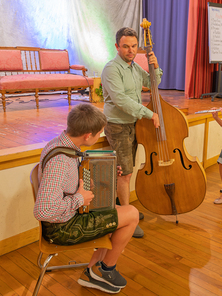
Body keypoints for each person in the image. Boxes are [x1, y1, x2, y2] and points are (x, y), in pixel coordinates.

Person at [33, 103, 139, 294]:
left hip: (69, 215)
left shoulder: (61, 143)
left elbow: (70, 179)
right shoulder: (60, 162)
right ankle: (105, 269)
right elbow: (43, 210)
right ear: (88, 135)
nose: (100, 136)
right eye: (99, 133)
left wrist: (105, 172)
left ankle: (93, 271)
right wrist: (78, 199)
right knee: (131, 214)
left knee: (113, 209)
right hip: (62, 228)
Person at [101, 27, 163, 238]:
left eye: (134, 46)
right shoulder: (112, 69)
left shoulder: (135, 67)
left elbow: (153, 83)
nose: (130, 50)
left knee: (128, 170)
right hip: (118, 125)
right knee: (125, 173)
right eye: (126, 46)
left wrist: (155, 67)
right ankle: (127, 217)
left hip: (133, 124)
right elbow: (120, 100)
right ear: (117, 46)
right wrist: (148, 113)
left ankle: (123, 209)